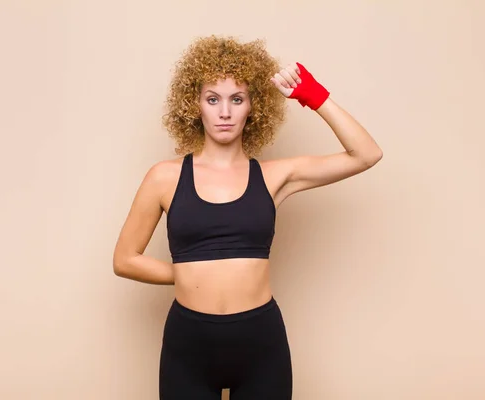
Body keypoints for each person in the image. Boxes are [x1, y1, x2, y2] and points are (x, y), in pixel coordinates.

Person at [112, 35, 382, 399]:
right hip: (188, 345)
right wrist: (193, 274)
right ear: (195, 105)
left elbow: (366, 154)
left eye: (237, 99)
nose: (225, 112)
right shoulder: (165, 177)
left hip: (261, 344)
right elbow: (125, 260)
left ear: (253, 106)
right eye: (213, 99)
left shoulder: (274, 177)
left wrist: (315, 97)